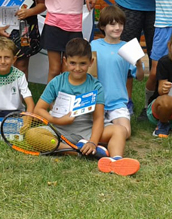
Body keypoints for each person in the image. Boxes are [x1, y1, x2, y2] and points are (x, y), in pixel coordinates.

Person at [34, 38, 140, 176]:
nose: (77, 68)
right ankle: (75, 151)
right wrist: (58, 121)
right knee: (33, 135)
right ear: (65, 61)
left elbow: (98, 119)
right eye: (72, 63)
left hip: (87, 130)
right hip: (60, 129)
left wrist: (93, 142)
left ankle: (115, 161)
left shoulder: (96, 86)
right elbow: (39, 109)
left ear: (91, 62)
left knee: (120, 131)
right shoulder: (57, 82)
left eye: (82, 63)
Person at [90, 5, 144, 137]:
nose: (117, 28)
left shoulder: (127, 47)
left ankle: (107, 128)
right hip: (96, 101)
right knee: (90, 130)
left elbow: (140, 77)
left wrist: (138, 63)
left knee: (126, 133)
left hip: (118, 102)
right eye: (112, 24)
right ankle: (107, 129)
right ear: (102, 26)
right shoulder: (93, 45)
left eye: (120, 24)